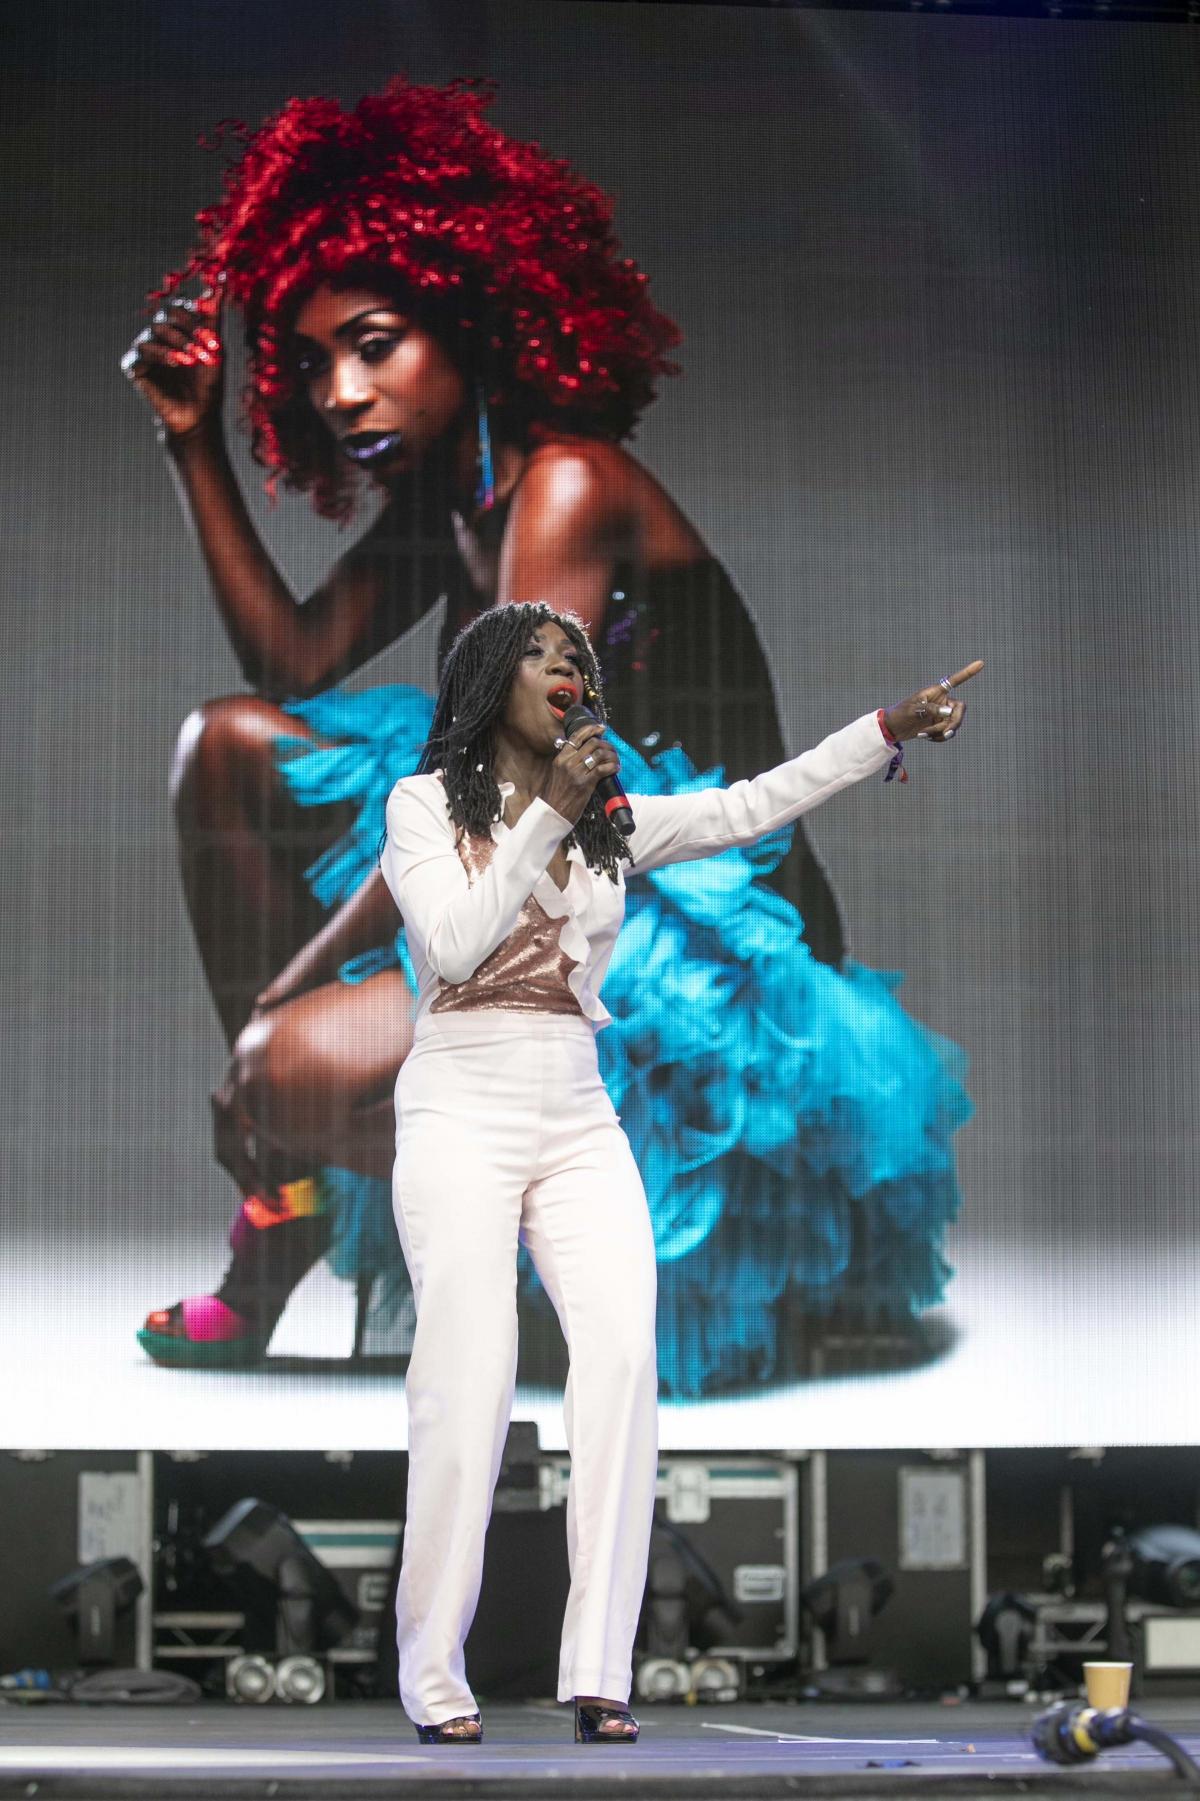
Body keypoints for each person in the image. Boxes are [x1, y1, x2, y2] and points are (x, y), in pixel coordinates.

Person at [122, 76, 973, 1393]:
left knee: (281, 1060)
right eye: (310, 365)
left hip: (683, 941)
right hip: (538, 865)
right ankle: (286, 1200)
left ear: (471, 321)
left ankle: (420, 1197)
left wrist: (282, 1009)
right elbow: (286, 663)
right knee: (226, 745)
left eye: (377, 341)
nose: (343, 392)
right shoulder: (450, 499)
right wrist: (192, 446)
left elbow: (500, 798)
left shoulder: (565, 487)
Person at [377, 595, 979, 1740]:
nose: (565, 668)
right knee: (468, 1388)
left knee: (622, 1360)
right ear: (491, 677)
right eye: (542, 653)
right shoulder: (420, 806)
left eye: (577, 657)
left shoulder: (607, 817)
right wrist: (543, 820)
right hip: (460, 1099)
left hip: (573, 1100)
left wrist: (884, 731)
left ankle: (600, 1671)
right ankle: (434, 1676)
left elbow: (752, 806)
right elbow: (452, 945)